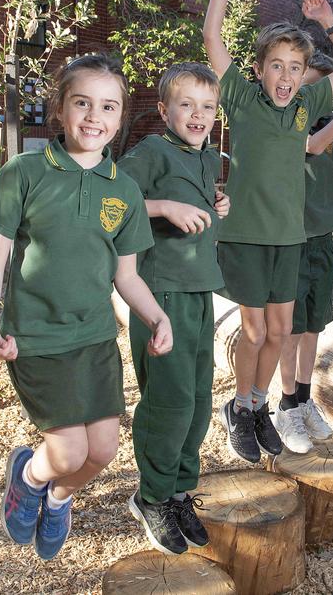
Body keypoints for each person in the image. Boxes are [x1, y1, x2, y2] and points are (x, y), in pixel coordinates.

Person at [0, 53, 172, 560]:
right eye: (82, 102)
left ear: (120, 117)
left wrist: (156, 315)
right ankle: (29, 474)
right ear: (60, 108)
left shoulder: (123, 190)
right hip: (37, 338)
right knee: (67, 450)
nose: (93, 116)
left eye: (108, 106)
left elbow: (126, 275)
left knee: (101, 450)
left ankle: (57, 498)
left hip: (95, 339)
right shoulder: (26, 173)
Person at [203, 0, 333, 463]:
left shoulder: (308, 106)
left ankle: (255, 407)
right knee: (253, 331)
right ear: (259, 70)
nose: (286, 75)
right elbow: (212, 38)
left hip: (289, 239)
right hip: (247, 237)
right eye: (276, 65)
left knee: (278, 331)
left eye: (295, 67)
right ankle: (237, 406)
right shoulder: (244, 100)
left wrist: (328, 20)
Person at [118, 62, 229, 555]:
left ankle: (180, 491)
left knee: (198, 399)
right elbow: (110, 198)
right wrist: (164, 207)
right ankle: (152, 497)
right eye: (186, 104)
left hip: (199, 291)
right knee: (169, 402)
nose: (198, 114)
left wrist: (214, 202)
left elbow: (195, 201)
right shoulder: (153, 151)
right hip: (160, 294)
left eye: (208, 106)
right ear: (165, 110)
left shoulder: (206, 158)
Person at [274, 53, 333, 452]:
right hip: (292, 241)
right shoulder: (286, 119)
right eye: (311, 85)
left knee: (313, 329)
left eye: (327, 88)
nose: (317, 94)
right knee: (290, 331)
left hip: (323, 241)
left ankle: (305, 400)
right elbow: (310, 147)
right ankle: (285, 407)